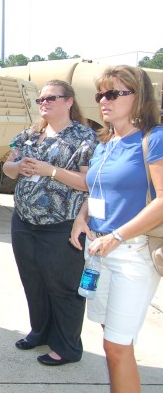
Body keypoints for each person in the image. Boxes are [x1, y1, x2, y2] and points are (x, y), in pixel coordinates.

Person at [70, 65, 162, 392]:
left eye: (113, 93)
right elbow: (96, 191)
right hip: (100, 252)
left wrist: (118, 235)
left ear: (139, 97)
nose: (103, 101)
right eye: (100, 94)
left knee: (117, 346)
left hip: (131, 253)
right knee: (111, 339)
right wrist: (83, 218)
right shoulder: (106, 143)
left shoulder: (155, 140)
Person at [2, 80, 97, 366]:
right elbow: (7, 168)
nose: (44, 103)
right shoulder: (30, 134)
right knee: (33, 281)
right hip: (24, 221)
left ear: (69, 101)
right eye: (41, 99)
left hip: (61, 223)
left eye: (51, 98)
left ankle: (67, 346)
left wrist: (50, 171)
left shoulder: (84, 137)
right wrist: (18, 167)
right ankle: (40, 331)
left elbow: (88, 182)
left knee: (62, 286)